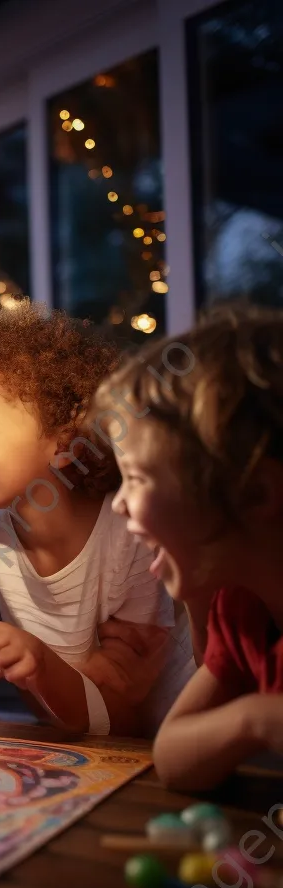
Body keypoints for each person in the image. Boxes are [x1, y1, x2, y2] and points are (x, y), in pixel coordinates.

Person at [0, 301, 195, 736]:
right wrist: (34, 667)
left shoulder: (129, 529)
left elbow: (123, 712)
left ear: (63, 442)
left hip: (180, 736)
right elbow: (68, 709)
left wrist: (39, 664)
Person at [93, 309, 283, 788]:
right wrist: (256, 718)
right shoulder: (241, 612)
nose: (118, 504)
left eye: (136, 478)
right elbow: (174, 758)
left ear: (255, 494)